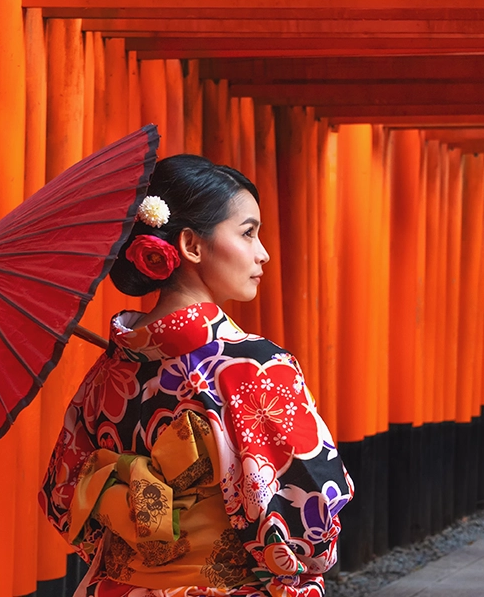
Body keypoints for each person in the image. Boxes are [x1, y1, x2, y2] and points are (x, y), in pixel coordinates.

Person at [39, 154, 354, 597]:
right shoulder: (253, 367)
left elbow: (62, 501)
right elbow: (311, 522)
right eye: (248, 233)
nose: (262, 253)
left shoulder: (106, 372)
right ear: (190, 244)